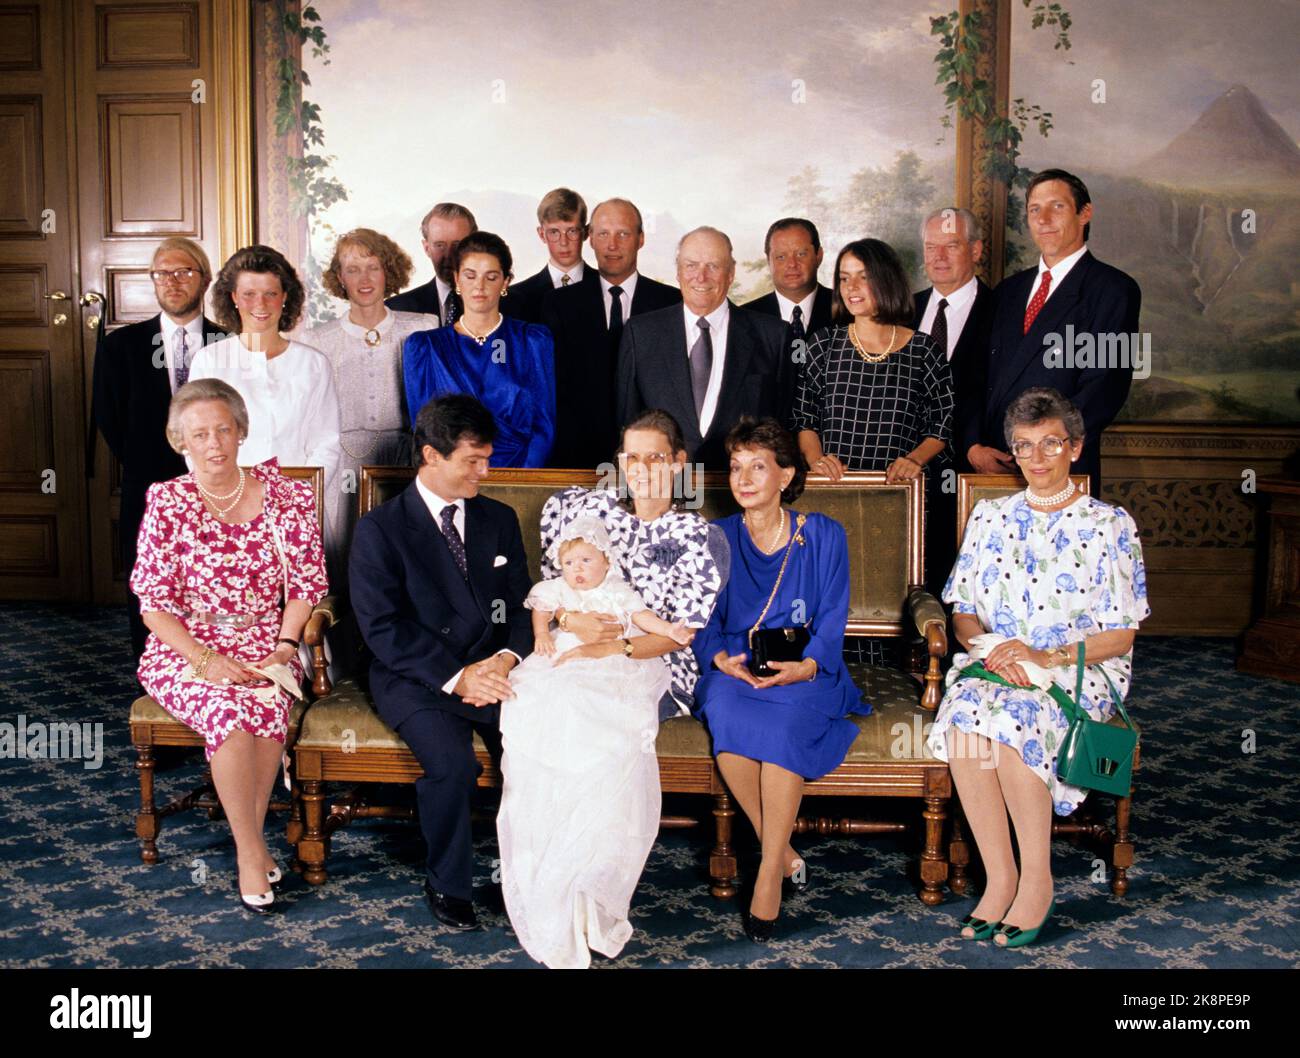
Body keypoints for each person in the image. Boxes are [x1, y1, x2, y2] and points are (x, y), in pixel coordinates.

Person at [928, 387, 1149, 948]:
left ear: (1074, 447)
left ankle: (1037, 879)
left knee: (1011, 723)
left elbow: (1121, 633)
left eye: (1051, 443)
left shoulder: (1109, 524)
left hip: (1077, 669)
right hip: (995, 662)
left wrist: (1042, 658)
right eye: (1024, 446)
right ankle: (999, 877)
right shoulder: (990, 516)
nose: (1038, 457)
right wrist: (993, 652)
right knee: (965, 721)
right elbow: (964, 614)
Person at [131, 379, 328, 914]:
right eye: (200, 434)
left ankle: (250, 840)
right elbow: (153, 605)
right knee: (228, 713)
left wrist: (287, 646)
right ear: (181, 442)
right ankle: (251, 849)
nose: (214, 443)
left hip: (269, 641)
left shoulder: (287, 496)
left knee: (264, 704)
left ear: (241, 431)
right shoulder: (168, 500)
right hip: (187, 647)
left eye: (223, 429)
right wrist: (207, 660)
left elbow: (307, 586)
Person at [348, 395, 532, 932]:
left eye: (487, 458)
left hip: (496, 671)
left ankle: (525, 875)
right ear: (431, 455)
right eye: (472, 460)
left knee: (534, 750)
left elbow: (526, 605)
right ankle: (448, 883)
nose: (486, 470)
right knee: (453, 767)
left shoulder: (497, 518)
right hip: (417, 675)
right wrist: (458, 678)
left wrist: (501, 659)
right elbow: (382, 629)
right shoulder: (380, 529)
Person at [692, 417, 869, 942]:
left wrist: (809, 665)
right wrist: (720, 658)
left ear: (787, 474)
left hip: (808, 667)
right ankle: (783, 847)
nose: (743, 478)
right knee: (726, 715)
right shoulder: (717, 537)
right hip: (738, 667)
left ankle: (768, 871)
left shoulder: (823, 534)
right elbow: (703, 619)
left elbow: (833, 614)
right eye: (736, 467)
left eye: (758, 467)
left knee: (786, 727)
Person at [498, 517, 690, 969]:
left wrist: (670, 628)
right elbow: (539, 611)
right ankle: (558, 817)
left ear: (607, 560)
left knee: (604, 712)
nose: (577, 570)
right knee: (545, 696)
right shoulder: (557, 590)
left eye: (586, 560)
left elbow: (643, 621)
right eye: (569, 562)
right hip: (561, 657)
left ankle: (594, 868)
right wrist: (543, 633)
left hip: (612, 664)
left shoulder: (617, 592)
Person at [538, 408, 726, 722]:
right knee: (545, 700)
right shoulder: (588, 510)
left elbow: (678, 635)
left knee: (596, 712)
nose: (642, 469)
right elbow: (555, 587)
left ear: (679, 462)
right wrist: (569, 619)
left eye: (655, 458)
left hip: (657, 662)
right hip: (577, 643)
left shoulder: (698, 537)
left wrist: (610, 649)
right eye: (632, 458)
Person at [964, 168, 1141, 496]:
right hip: (991, 468)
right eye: (1034, 209)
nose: (1043, 218)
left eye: (1056, 207)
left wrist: (1037, 449)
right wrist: (973, 444)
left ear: (1084, 213)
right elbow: (976, 378)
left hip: (1060, 468)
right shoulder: (1007, 292)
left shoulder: (1114, 290)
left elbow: (1106, 387)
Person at [91, 237, 224, 665]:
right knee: (149, 584)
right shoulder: (121, 346)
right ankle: (151, 671)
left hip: (219, 484)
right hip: (148, 482)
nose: (172, 281)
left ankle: (215, 665)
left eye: (184, 271)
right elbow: (108, 418)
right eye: (162, 273)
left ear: (204, 279)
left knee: (214, 578)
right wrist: (149, 466)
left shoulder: (229, 344)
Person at [300, 228, 437, 585]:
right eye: (352, 268)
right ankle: (343, 640)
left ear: (388, 272)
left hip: (405, 458)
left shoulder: (422, 329)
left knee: (409, 558)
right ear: (339, 278)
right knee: (347, 557)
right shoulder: (317, 340)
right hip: (345, 462)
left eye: (373, 267)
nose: (364, 278)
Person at [617, 227, 791, 469]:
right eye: (691, 265)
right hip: (664, 493)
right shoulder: (641, 333)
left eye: (713, 266)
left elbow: (782, 427)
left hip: (742, 493)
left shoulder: (773, 336)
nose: (701, 277)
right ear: (678, 271)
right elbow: (626, 425)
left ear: (731, 273)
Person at [187, 245, 342, 510]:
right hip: (226, 506)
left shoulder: (313, 364)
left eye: (270, 293)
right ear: (234, 297)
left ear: (285, 297)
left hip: (297, 507)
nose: (260, 304)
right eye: (249, 294)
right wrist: (231, 497)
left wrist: (293, 500)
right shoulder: (209, 361)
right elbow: (194, 440)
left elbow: (326, 444)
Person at [794, 237, 954, 484]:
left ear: (887, 280)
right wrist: (817, 462)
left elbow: (942, 425)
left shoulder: (924, 350)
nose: (851, 287)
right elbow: (805, 418)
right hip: (833, 487)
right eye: (844, 278)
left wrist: (914, 460)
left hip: (900, 492)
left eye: (864, 277)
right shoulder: (823, 344)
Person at [541, 197, 680, 468]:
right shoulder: (558, 304)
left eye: (623, 234)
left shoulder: (671, 302)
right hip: (577, 460)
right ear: (590, 238)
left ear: (641, 239)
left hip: (653, 461)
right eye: (603, 234)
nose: (612, 245)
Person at [402, 232, 556, 467]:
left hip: (520, 479)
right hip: (450, 477)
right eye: (470, 276)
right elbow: (422, 432)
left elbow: (543, 426)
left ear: (505, 282)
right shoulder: (425, 348)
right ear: (456, 279)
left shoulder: (531, 340)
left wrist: (522, 482)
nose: (480, 286)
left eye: (491, 277)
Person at [914, 207, 996, 599]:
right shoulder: (902, 310)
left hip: (970, 468)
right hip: (907, 471)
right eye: (932, 248)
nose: (939, 257)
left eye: (952, 246)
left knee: (966, 578)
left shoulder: (1002, 312)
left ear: (976, 250)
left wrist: (973, 443)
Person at [503, 187, 593, 324]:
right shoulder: (516, 297)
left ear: (586, 232)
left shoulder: (608, 288)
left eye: (572, 231)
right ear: (541, 234)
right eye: (554, 232)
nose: (564, 242)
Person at [744, 217, 834, 343]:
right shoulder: (743, 320)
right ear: (769, 260)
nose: (792, 264)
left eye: (801, 254)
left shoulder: (848, 310)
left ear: (818, 256)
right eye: (781, 257)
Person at [385, 202, 478, 323]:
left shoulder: (504, 306)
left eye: (457, 245)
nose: (448, 255)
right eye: (440, 245)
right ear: (426, 248)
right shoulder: (396, 310)